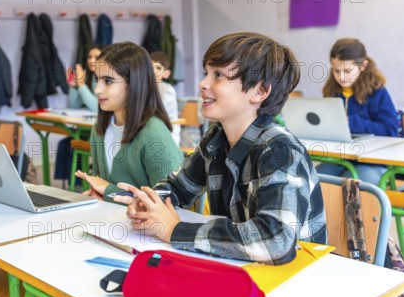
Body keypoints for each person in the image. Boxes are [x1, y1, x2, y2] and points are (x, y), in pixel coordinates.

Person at [113, 32, 327, 265]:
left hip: (295, 279)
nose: (203, 83)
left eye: (219, 75)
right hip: (240, 267)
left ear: (260, 91)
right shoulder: (216, 137)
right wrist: (150, 202)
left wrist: (176, 230)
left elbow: (276, 239)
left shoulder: (280, 151)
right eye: (207, 73)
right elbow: (178, 188)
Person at [76, 42, 183, 201]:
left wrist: (107, 191)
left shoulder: (154, 133)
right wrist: (98, 195)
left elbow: (170, 203)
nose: (97, 89)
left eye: (108, 81)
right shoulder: (99, 129)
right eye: (97, 79)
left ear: (134, 84)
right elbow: (102, 186)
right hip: (111, 221)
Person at [318, 38, 398, 185]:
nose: (341, 77)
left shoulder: (377, 91)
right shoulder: (331, 90)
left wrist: (351, 122)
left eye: (347, 71)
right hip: (342, 158)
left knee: (351, 183)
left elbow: (390, 129)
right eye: (336, 71)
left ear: (362, 66)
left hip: (373, 160)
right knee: (317, 176)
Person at [54, 45, 106, 183]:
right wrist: (73, 86)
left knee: (74, 146)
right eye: (89, 57)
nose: (91, 60)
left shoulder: (104, 79)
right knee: (64, 144)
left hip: (100, 132)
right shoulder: (89, 77)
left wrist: (81, 85)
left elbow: (96, 106)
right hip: (87, 129)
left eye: (96, 57)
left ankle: (77, 185)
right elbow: (74, 104)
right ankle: (69, 184)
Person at [150, 51, 181, 146]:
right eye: (150, 67)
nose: (153, 71)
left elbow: (157, 111)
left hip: (168, 132)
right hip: (152, 129)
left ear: (166, 74)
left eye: (158, 68)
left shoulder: (168, 90)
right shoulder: (146, 88)